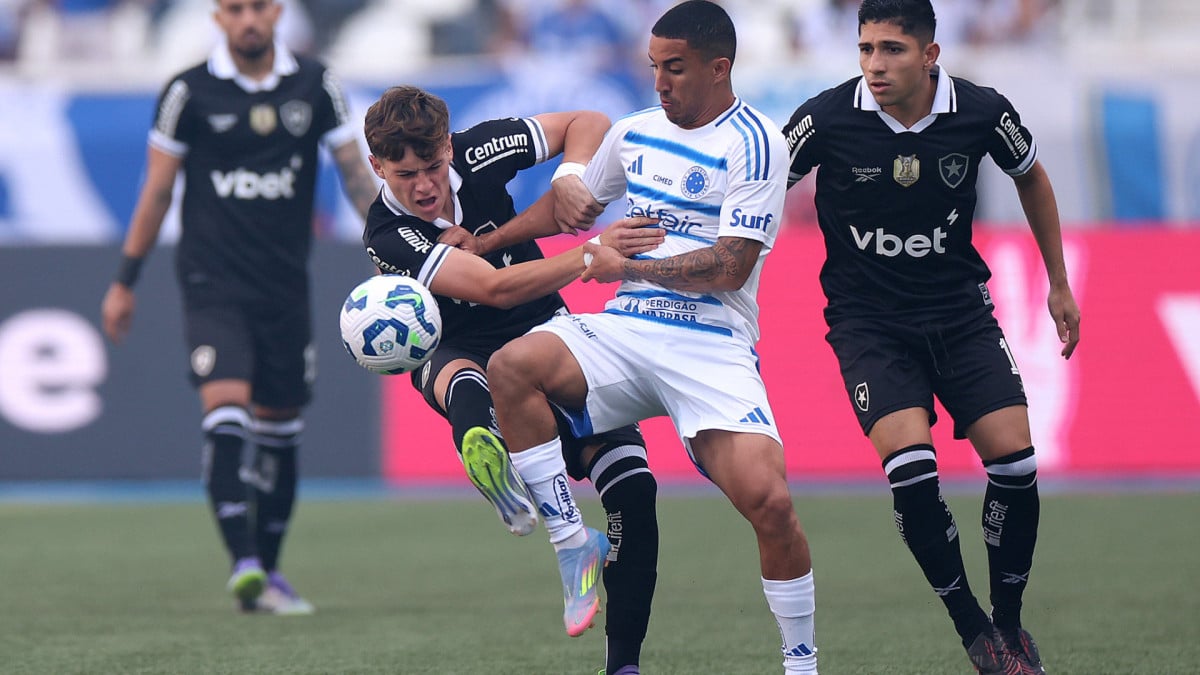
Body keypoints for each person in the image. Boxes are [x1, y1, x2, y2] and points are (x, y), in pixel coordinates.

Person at [484, 2, 820, 673]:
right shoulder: (635, 132)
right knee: (510, 365)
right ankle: (570, 539)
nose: (660, 82)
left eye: (675, 68)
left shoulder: (757, 142)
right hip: (628, 328)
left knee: (773, 505)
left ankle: (802, 663)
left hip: (713, 343)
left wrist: (622, 264)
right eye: (652, 67)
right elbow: (569, 205)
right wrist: (487, 241)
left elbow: (730, 266)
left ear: (719, 68)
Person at [779, 1, 1079, 673]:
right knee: (913, 471)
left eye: (892, 50)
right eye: (865, 50)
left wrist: (1057, 282)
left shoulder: (979, 111)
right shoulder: (825, 119)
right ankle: (971, 624)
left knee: (1016, 465)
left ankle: (1008, 621)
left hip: (959, 314)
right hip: (868, 324)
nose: (875, 65)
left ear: (930, 55)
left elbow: (1030, 174)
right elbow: (761, 184)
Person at [359, 85, 665, 674]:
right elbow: (494, 288)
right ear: (377, 166)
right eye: (404, 175)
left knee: (634, 490)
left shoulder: (478, 150)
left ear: (450, 146)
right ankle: (514, 479)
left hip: (547, 329)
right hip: (452, 342)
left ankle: (621, 662)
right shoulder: (387, 234)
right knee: (465, 381)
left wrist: (573, 173)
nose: (423, 186)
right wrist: (588, 255)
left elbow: (588, 118)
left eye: (433, 166)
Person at [100, 0, 379, 615]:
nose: (248, 19)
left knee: (280, 429)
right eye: (234, 9)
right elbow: (157, 189)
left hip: (285, 285)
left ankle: (270, 573)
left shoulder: (315, 83)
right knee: (226, 410)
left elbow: (355, 175)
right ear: (217, 18)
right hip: (212, 281)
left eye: (258, 7)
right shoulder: (188, 90)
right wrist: (126, 279)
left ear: (276, 12)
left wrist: (397, 252)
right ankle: (244, 561)